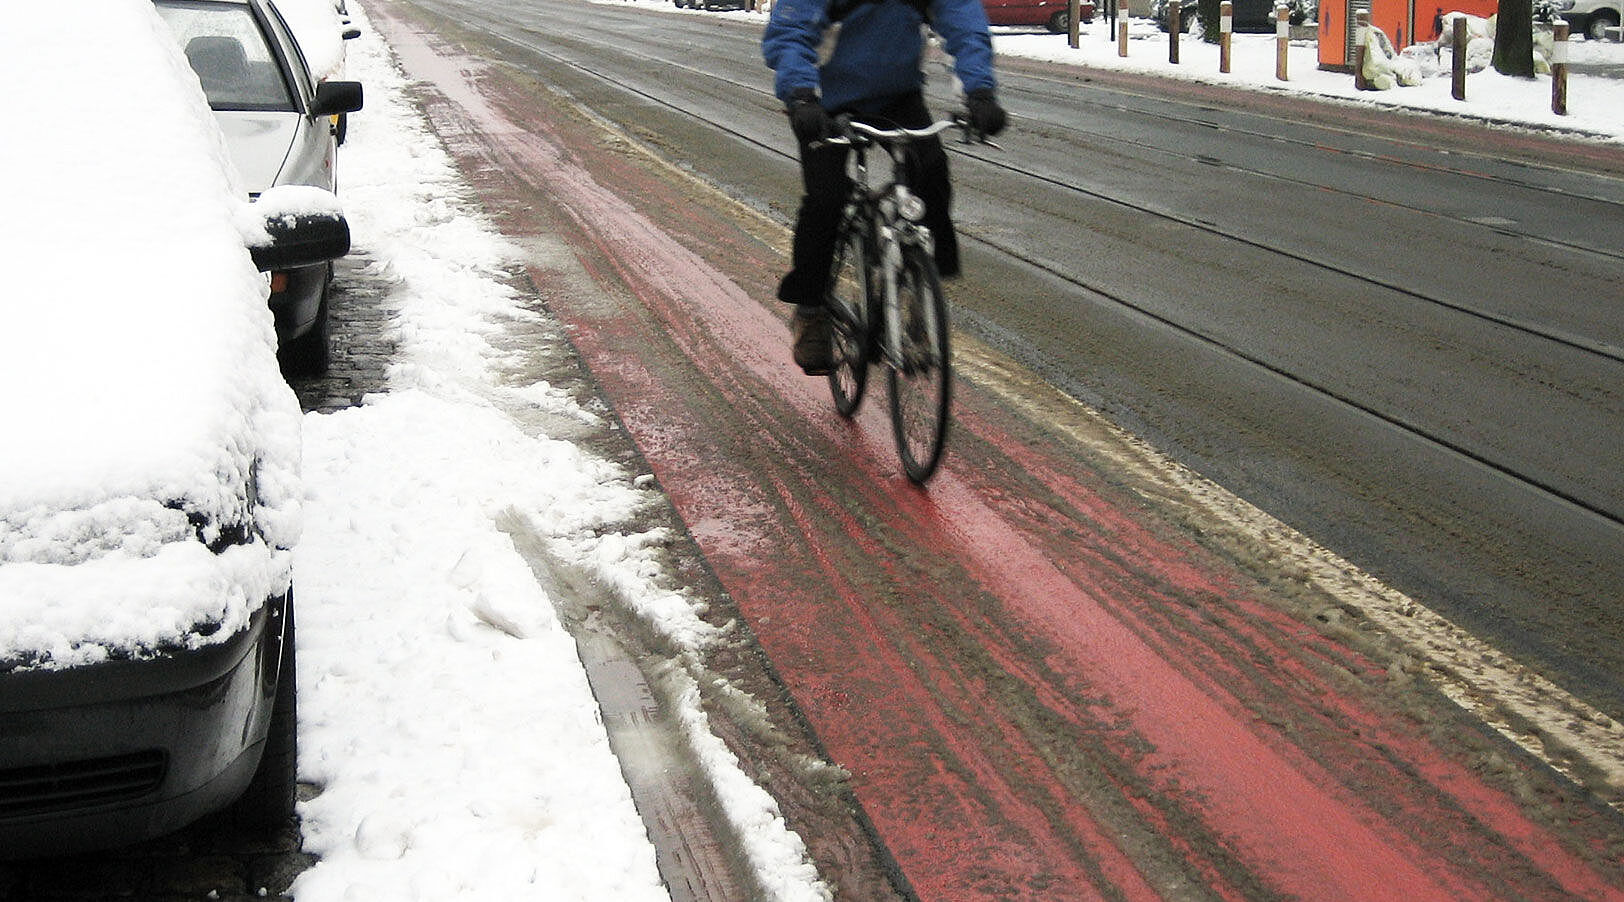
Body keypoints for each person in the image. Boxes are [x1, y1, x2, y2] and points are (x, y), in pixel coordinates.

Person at [762, 0, 1007, 375]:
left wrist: (980, 93)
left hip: (898, 96)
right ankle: (811, 311)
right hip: (824, 103)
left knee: (931, 173)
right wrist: (799, 96)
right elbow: (791, 31)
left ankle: (922, 284)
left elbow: (964, 23)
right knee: (826, 200)